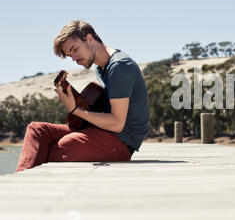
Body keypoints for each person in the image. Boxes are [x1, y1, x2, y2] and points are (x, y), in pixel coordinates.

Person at [15, 20, 150, 172]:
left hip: (121, 143)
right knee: (37, 130)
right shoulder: (101, 68)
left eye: (74, 49)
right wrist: (79, 103)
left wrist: (76, 110)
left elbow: (117, 123)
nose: (73, 58)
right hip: (100, 132)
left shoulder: (119, 66)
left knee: (61, 147)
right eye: (69, 55)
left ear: (89, 38)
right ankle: (19, 183)